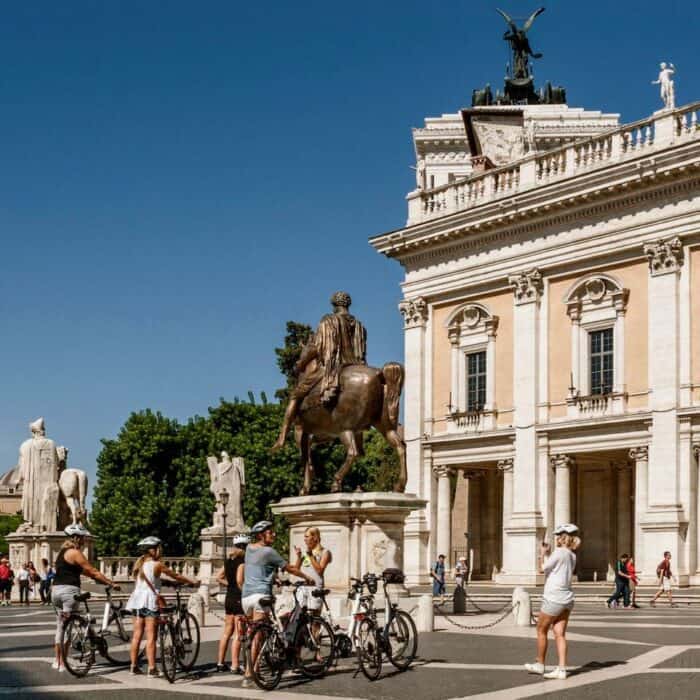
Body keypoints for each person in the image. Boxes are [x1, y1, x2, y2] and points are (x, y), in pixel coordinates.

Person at [271, 291, 367, 451]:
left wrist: (301, 364)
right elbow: (362, 351)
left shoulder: (328, 320)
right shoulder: (359, 326)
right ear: (348, 304)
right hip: (356, 366)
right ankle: (360, 442)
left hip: (332, 366)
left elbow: (317, 346)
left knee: (295, 396)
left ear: (334, 305)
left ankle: (282, 437)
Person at [241, 520, 313, 688]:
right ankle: (249, 674)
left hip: (246, 597)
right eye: (269, 532)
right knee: (259, 637)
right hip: (261, 595)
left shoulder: (249, 550)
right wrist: (307, 577)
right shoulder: (269, 552)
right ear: (261, 535)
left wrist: (274, 579)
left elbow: (257, 568)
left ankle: (256, 665)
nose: (273, 534)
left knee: (256, 633)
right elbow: (290, 568)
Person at [126, 536, 200, 677]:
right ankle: (152, 668)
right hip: (149, 601)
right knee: (151, 637)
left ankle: (133, 666)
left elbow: (153, 580)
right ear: (152, 550)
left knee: (136, 636)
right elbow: (176, 575)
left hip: (136, 601)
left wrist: (167, 583)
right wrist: (192, 582)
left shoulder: (139, 564)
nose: (160, 550)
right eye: (158, 548)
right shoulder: (157, 564)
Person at [51, 524, 119, 671]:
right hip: (69, 592)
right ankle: (62, 662)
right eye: (82, 538)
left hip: (55, 591)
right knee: (67, 628)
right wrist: (111, 583)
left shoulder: (62, 553)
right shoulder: (75, 552)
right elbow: (92, 570)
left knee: (60, 626)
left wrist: (100, 579)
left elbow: (84, 572)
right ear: (76, 538)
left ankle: (57, 661)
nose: (83, 541)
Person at [525, 523, 580, 681]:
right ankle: (561, 669)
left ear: (562, 538)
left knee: (541, 630)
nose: (556, 539)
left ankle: (540, 664)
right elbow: (556, 569)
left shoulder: (559, 552)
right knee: (559, 634)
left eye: (558, 536)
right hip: (567, 598)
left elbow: (542, 569)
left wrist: (542, 554)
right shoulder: (572, 555)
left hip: (554, 597)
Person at [215, 534, 249, 673]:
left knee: (226, 632)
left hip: (229, 597)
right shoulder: (242, 561)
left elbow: (218, 577)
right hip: (238, 598)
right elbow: (240, 581)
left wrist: (230, 585)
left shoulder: (229, 560)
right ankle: (235, 665)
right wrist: (239, 587)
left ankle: (220, 662)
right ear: (244, 547)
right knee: (238, 632)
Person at [293, 527, 332, 613]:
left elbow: (320, 571)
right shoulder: (305, 552)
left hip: (315, 588)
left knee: (315, 620)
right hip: (303, 588)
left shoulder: (325, 552)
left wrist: (311, 556)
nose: (304, 539)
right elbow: (296, 570)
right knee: (300, 617)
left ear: (315, 537)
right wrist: (299, 557)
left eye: (307, 536)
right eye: (304, 537)